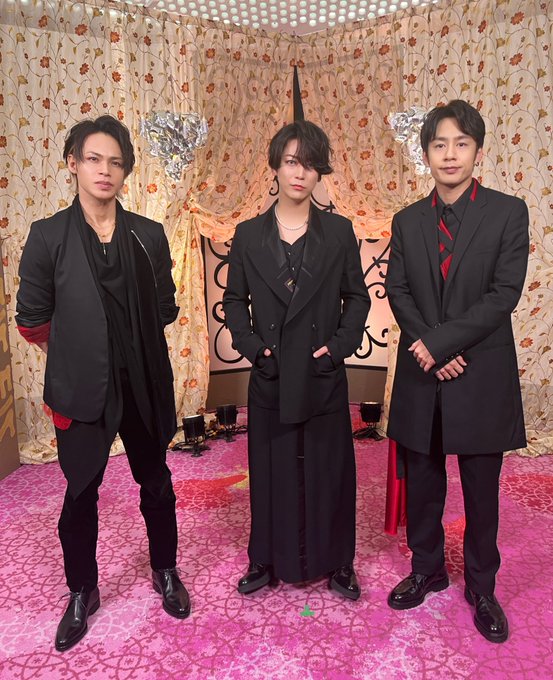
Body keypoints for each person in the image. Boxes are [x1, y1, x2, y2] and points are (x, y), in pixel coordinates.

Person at [15, 115, 190, 652]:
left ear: (126, 170)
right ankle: (81, 591)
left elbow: (165, 307)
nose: (104, 170)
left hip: (142, 382)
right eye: (93, 159)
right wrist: (77, 353)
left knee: (156, 482)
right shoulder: (47, 236)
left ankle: (165, 570)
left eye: (115, 162)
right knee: (80, 492)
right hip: (82, 388)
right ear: (73, 163)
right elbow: (31, 318)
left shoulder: (148, 234)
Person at [385, 100, 529, 643]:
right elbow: (398, 291)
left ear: (478, 151)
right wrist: (430, 348)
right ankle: (427, 570)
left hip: (479, 372)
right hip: (424, 372)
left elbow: (503, 295)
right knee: (424, 482)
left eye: (461, 144)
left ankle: (482, 587)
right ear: (426, 154)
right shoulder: (407, 220)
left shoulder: (508, 212)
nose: (450, 154)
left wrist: (440, 344)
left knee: (480, 490)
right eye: (439, 144)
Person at [223, 120, 370, 600]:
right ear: (275, 167)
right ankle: (264, 558)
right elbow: (234, 301)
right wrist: (253, 348)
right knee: (271, 469)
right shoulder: (248, 235)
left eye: (309, 164)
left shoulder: (339, 231)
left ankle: (340, 562)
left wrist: (339, 346)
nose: (300, 173)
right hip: (272, 371)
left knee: (331, 470)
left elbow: (358, 297)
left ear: (319, 172)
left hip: (321, 369)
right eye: (291, 162)